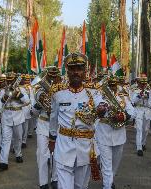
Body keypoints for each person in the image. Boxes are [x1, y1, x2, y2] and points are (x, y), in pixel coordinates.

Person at [49, 53, 101, 189]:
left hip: (85, 149)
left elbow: (102, 105)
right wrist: (52, 139)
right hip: (64, 147)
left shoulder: (94, 92)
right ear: (67, 71)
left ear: (85, 71)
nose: (76, 72)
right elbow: (53, 118)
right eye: (72, 69)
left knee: (81, 186)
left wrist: (102, 109)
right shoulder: (58, 93)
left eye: (79, 68)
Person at [95, 75, 135, 189]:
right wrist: (101, 110)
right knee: (106, 164)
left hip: (119, 134)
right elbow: (96, 107)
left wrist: (123, 116)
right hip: (103, 132)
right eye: (110, 85)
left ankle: (109, 179)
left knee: (115, 164)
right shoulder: (99, 95)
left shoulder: (123, 96)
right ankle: (107, 185)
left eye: (114, 85)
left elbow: (132, 111)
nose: (112, 87)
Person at [32, 66, 59, 189]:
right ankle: (43, 183)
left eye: (55, 76)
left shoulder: (62, 88)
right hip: (43, 125)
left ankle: (55, 178)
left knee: (56, 154)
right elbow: (33, 111)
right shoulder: (39, 89)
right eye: (50, 76)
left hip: (57, 126)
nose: (52, 79)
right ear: (46, 76)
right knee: (42, 155)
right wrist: (39, 104)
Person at [0, 73, 30, 170]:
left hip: (18, 116)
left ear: (15, 80)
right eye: (8, 80)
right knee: (5, 139)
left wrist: (18, 95)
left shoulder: (21, 89)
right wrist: (6, 96)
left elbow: (27, 101)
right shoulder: (3, 90)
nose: (10, 82)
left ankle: (18, 154)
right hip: (6, 116)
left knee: (18, 138)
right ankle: (3, 162)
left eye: (11, 80)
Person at [131, 74, 151, 156]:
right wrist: (140, 95)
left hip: (147, 111)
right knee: (139, 129)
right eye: (142, 84)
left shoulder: (149, 90)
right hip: (139, 110)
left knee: (146, 129)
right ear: (139, 83)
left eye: (144, 84)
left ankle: (143, 143)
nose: (143, 85)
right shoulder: (135, 90)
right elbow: (133, 102)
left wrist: (149, 96)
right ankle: (139, 148)